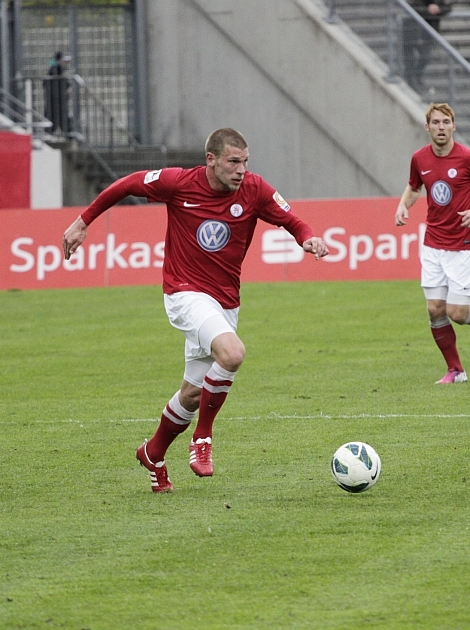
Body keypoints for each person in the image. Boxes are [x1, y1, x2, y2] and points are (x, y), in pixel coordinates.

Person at [61, 128, 329, 493]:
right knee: (232, 354)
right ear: (211, 160)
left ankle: (153, 452)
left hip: (225, 302)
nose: (241, 170)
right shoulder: (178, 183)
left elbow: (291, 220)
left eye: (245, 162)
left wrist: (308, 238)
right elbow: (126, 184)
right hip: (184, 293)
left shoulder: (255, 189)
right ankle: (202, 437)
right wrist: (83, 222)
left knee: (191, 393)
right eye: (233, 162)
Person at [394, 103, 470, 385]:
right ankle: (456, 370)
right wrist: (403, 204)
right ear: (427, 127)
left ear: (454, 126)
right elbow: (414, 187)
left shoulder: (468, 158)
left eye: (446, 122)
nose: (441, 127)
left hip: (464, 244)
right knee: (434, 309)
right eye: (435, 122)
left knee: (456, 312)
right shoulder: (419, 158)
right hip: (433, 243)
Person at [403, 0, 452, 92]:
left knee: (425, 56)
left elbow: (448, 7)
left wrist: (438, 9)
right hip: (412, 29)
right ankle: (410, 79)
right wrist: (427, 10)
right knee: (410, 57)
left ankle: (417, 76)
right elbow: (410, 6)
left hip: (429, 31)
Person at [44, 51, 71, 133]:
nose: (67, 63)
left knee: (58, 121)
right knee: (58, 120)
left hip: (57, 102)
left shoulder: (58, 70)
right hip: (56, 101)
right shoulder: (55, 71)